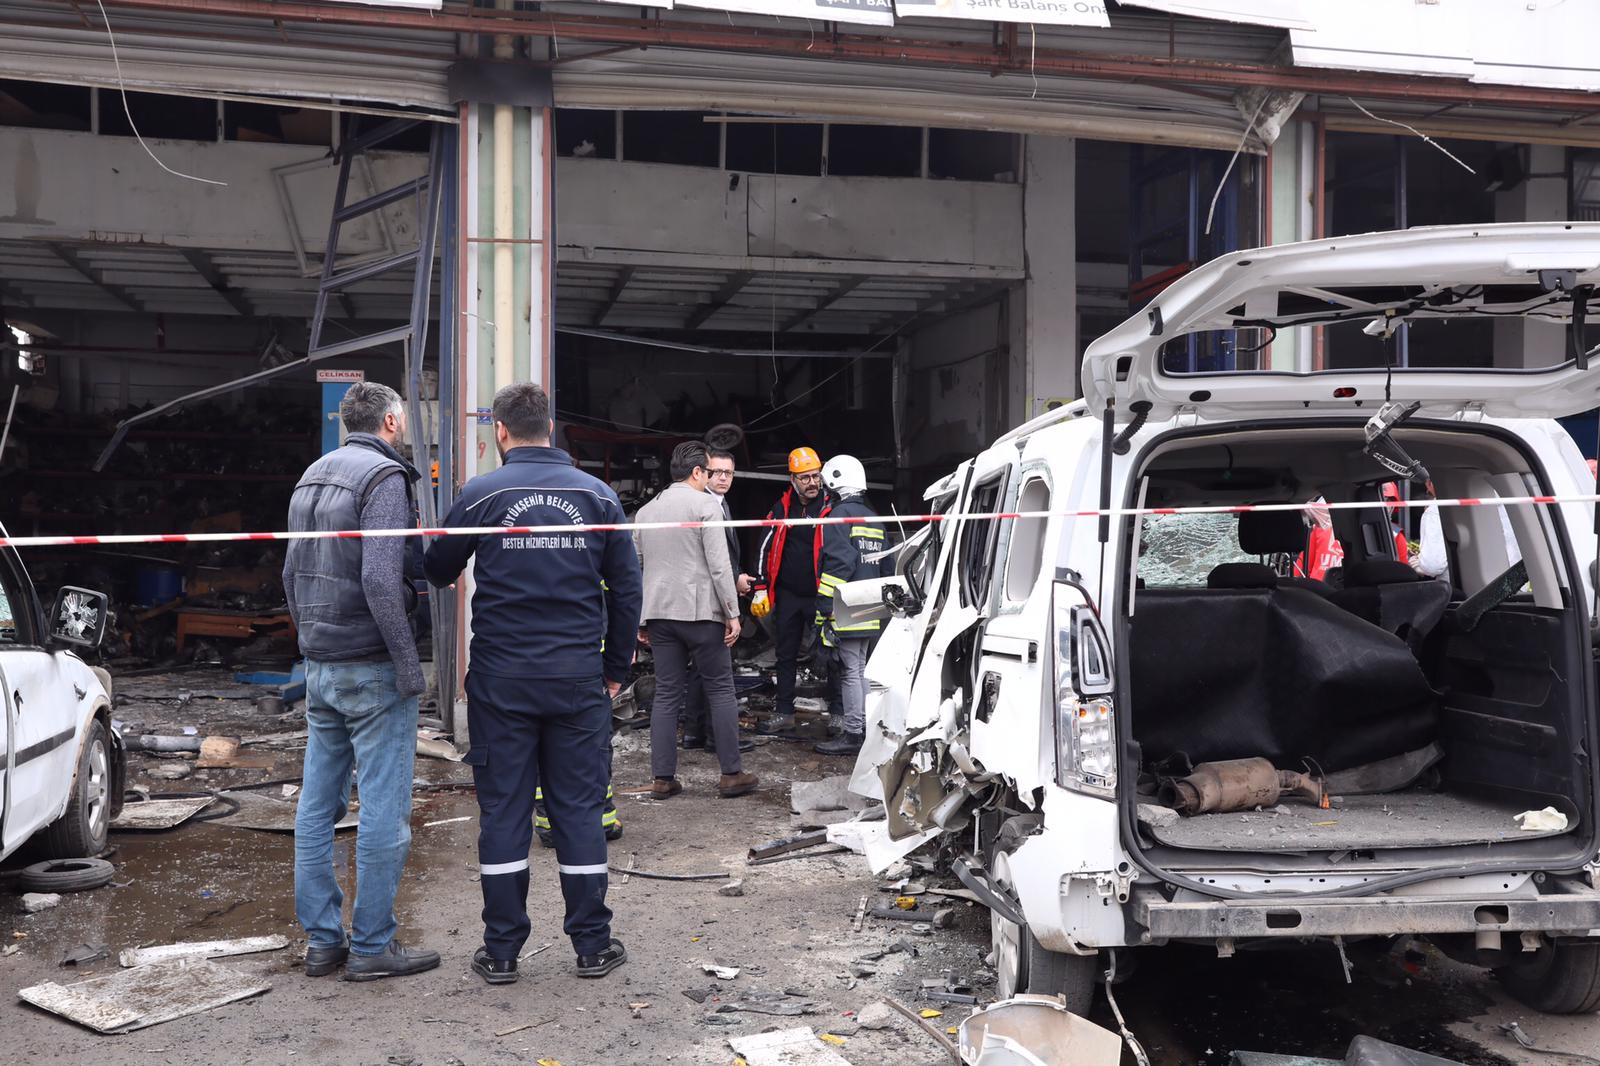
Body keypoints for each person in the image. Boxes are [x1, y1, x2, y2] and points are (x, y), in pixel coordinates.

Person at [423, 382, 642, 986]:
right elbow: (626, 588)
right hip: (577, 681)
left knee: (505, 814)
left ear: (500, 431)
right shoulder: (596, 495)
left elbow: (438, 570)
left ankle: (501, 952)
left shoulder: (482, 493)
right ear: (552, 426)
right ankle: (592, 946)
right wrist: (616, 668)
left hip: (501, 682)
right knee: (577, 812)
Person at [283, 381, 440, 982]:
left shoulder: (313, 474)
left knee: (317, 808)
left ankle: (324, 943)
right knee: (383, 810)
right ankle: (372, 945)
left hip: (322, 663)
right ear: (394, 422)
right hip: (370, 665)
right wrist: (407, 663)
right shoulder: (384, 479)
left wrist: (309, 642)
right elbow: (380, 579)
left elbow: (291, 572)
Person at [635, 441, 759, 800]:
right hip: (702, 613)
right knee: (720, 689)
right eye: (708, 471)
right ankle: (731, 774)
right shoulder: (707, 505)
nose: (712, 477)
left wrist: (641, 618)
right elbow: (720, 565)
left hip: (660, 614)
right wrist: (732, 612)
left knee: (667, 694)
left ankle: (662, 779)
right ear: (696, 473)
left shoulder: (645, 512)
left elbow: (638, 567)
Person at [683, 446, 755, 755]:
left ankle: (693, 732)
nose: (723, 478)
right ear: (702, 472)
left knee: (701, 670)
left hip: (709, 594)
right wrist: (732, 585)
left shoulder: (722, 504)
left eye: (728, 473)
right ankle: (716, 738)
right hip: (710, 599)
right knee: (719, 673)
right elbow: (711, 558)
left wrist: (735, 573)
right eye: (716, 472)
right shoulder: (705, 506)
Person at [813, 455, 883, 756]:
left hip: (848, 604)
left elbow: (839, 562)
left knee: (850, 671)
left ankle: (853, 733)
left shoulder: (838, 516)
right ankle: (868, 730)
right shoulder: (874, 518)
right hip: (873, 604)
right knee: (863, 669)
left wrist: (824, 602)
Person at [753, 447, 831, 720]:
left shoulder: (831, 506)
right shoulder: (782, 508)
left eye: (815, 476)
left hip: (821, 594)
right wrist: (760, 587)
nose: (812, 483)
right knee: (785, 655)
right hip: (788, 595)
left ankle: (839, 715)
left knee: (830, 655)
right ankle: (783, 712)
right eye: (805, 478)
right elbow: (764, 547)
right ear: (793, 480)